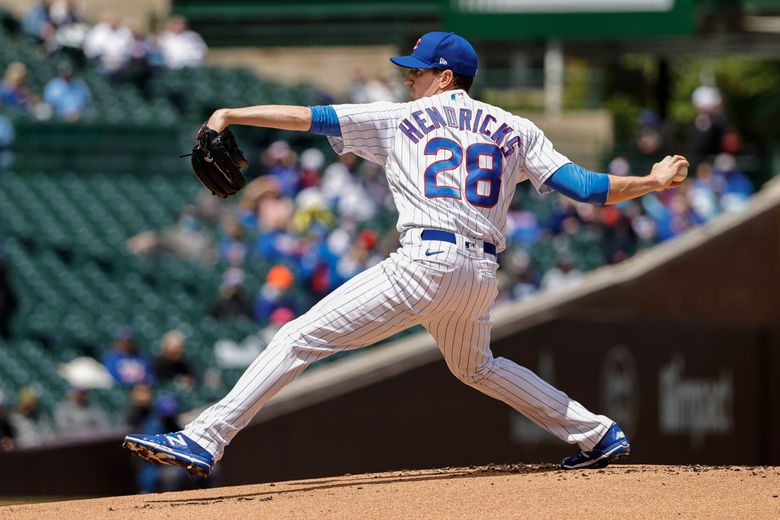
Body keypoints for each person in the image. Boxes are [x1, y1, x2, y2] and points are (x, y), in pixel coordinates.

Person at [124, 31, 689, 476]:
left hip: (427, 263)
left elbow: (307, 118)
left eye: (416, 72)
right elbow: (588, 190)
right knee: (476, 366)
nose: (408, 80)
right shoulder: (514, 127)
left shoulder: (401, 119)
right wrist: (652, 180)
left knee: (299, 336)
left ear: (445, 77)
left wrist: (229, 114)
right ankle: (595, 433)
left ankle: (206, 436)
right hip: (482, 272)